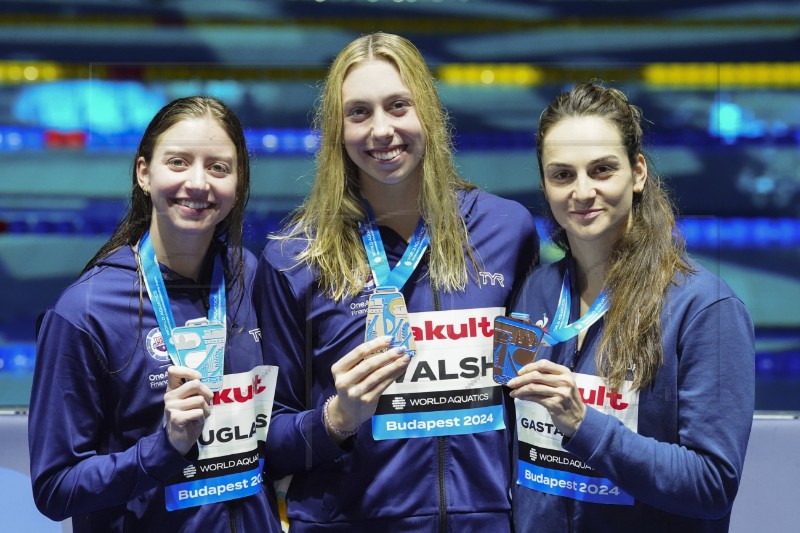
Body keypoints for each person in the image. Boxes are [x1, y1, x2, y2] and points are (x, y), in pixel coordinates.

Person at [254, 32, 538, 531]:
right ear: (337, 130)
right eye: (358, 113)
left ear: (426, 110)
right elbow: (267, 440)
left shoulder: (504, 231)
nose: (381, 130)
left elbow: (521, 395)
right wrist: (337, 418)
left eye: (398, 106)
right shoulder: (295, 257)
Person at [506, 82, 754, 532]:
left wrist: (583, 423)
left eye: (602, 170)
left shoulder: (703, 308)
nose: (582, 192)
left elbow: (713, 484)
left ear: (638, 172)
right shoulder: (535, 293)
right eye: (562, 174)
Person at [28, 96, 281, 532]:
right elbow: (55, 487)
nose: (198, 183)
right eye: (178, 162)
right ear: (144, 173)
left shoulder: (249, 277)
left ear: (238, 185)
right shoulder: (86, 311)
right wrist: (163, 447)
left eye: (218, 167)